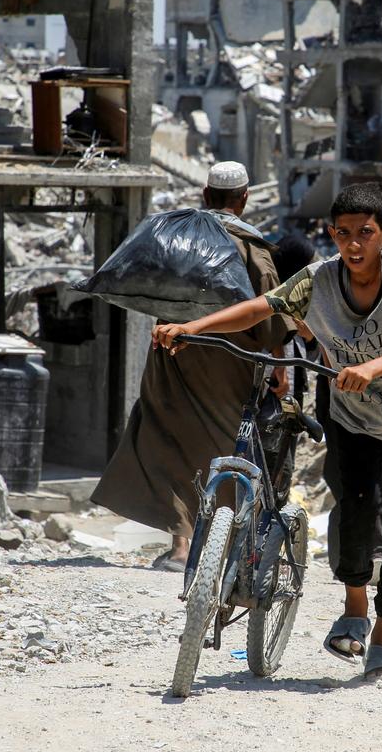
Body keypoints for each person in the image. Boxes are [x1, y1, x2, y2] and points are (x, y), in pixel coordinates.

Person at [151, 182, 382, 678]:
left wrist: (372, 369)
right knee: (352, 508)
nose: (354, 245)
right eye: (344, 234)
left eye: (366, 234)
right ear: (332, 233)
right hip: (354, 416)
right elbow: (260, 308)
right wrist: (193, 329)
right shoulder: (318, 279)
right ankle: (355, 611)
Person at [90, 161, 294, 572]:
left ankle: (181, 547)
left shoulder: (182, 240)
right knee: (224, 446)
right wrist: (276, 363)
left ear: (205, 195)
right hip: (232, 366)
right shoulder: (252, 249)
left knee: (169, 440)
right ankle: (220, 546)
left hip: (174, 352)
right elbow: (271, 315)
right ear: (244, 199)